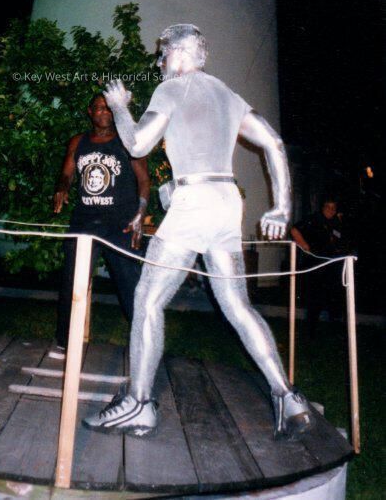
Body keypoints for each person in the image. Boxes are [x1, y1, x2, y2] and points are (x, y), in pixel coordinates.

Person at [83, 24, 312, 440]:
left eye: (163, 53)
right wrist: (282, 206)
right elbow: (275, 144)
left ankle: (139, 403)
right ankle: (288, 396)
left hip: (195, 204)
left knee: (147, 299)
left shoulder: (172, 89)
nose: (159, 62)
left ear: (182, 53)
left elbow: (137, 145)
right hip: (226, 202)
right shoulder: (227, 93)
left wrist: (119, 108)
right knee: (237, 305)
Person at [50, 94, 150, 359]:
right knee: (73, 279)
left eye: (109, 108)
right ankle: (65, 341)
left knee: (130, 283)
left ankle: (144, 344)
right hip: (85, 220)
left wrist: (140, 213)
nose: (104, 112)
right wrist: (62, 187)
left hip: (121, 223)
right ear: (90, 111)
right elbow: (66, 173)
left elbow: (144, 180)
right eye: (99, 108)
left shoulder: (127, 141)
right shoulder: (78, 141)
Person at [291, 197, 351, 336]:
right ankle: (311, 331)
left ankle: (335, 328)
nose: (331, 210)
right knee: (315, 297)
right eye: (328, 207)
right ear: (323, 207)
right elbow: (294, 230)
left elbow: (341, 238)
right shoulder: (314, 219)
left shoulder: (336, 221)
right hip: (316, 264)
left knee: (335, 296)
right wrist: (304, 245)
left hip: (333, 265)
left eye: (333, 208)